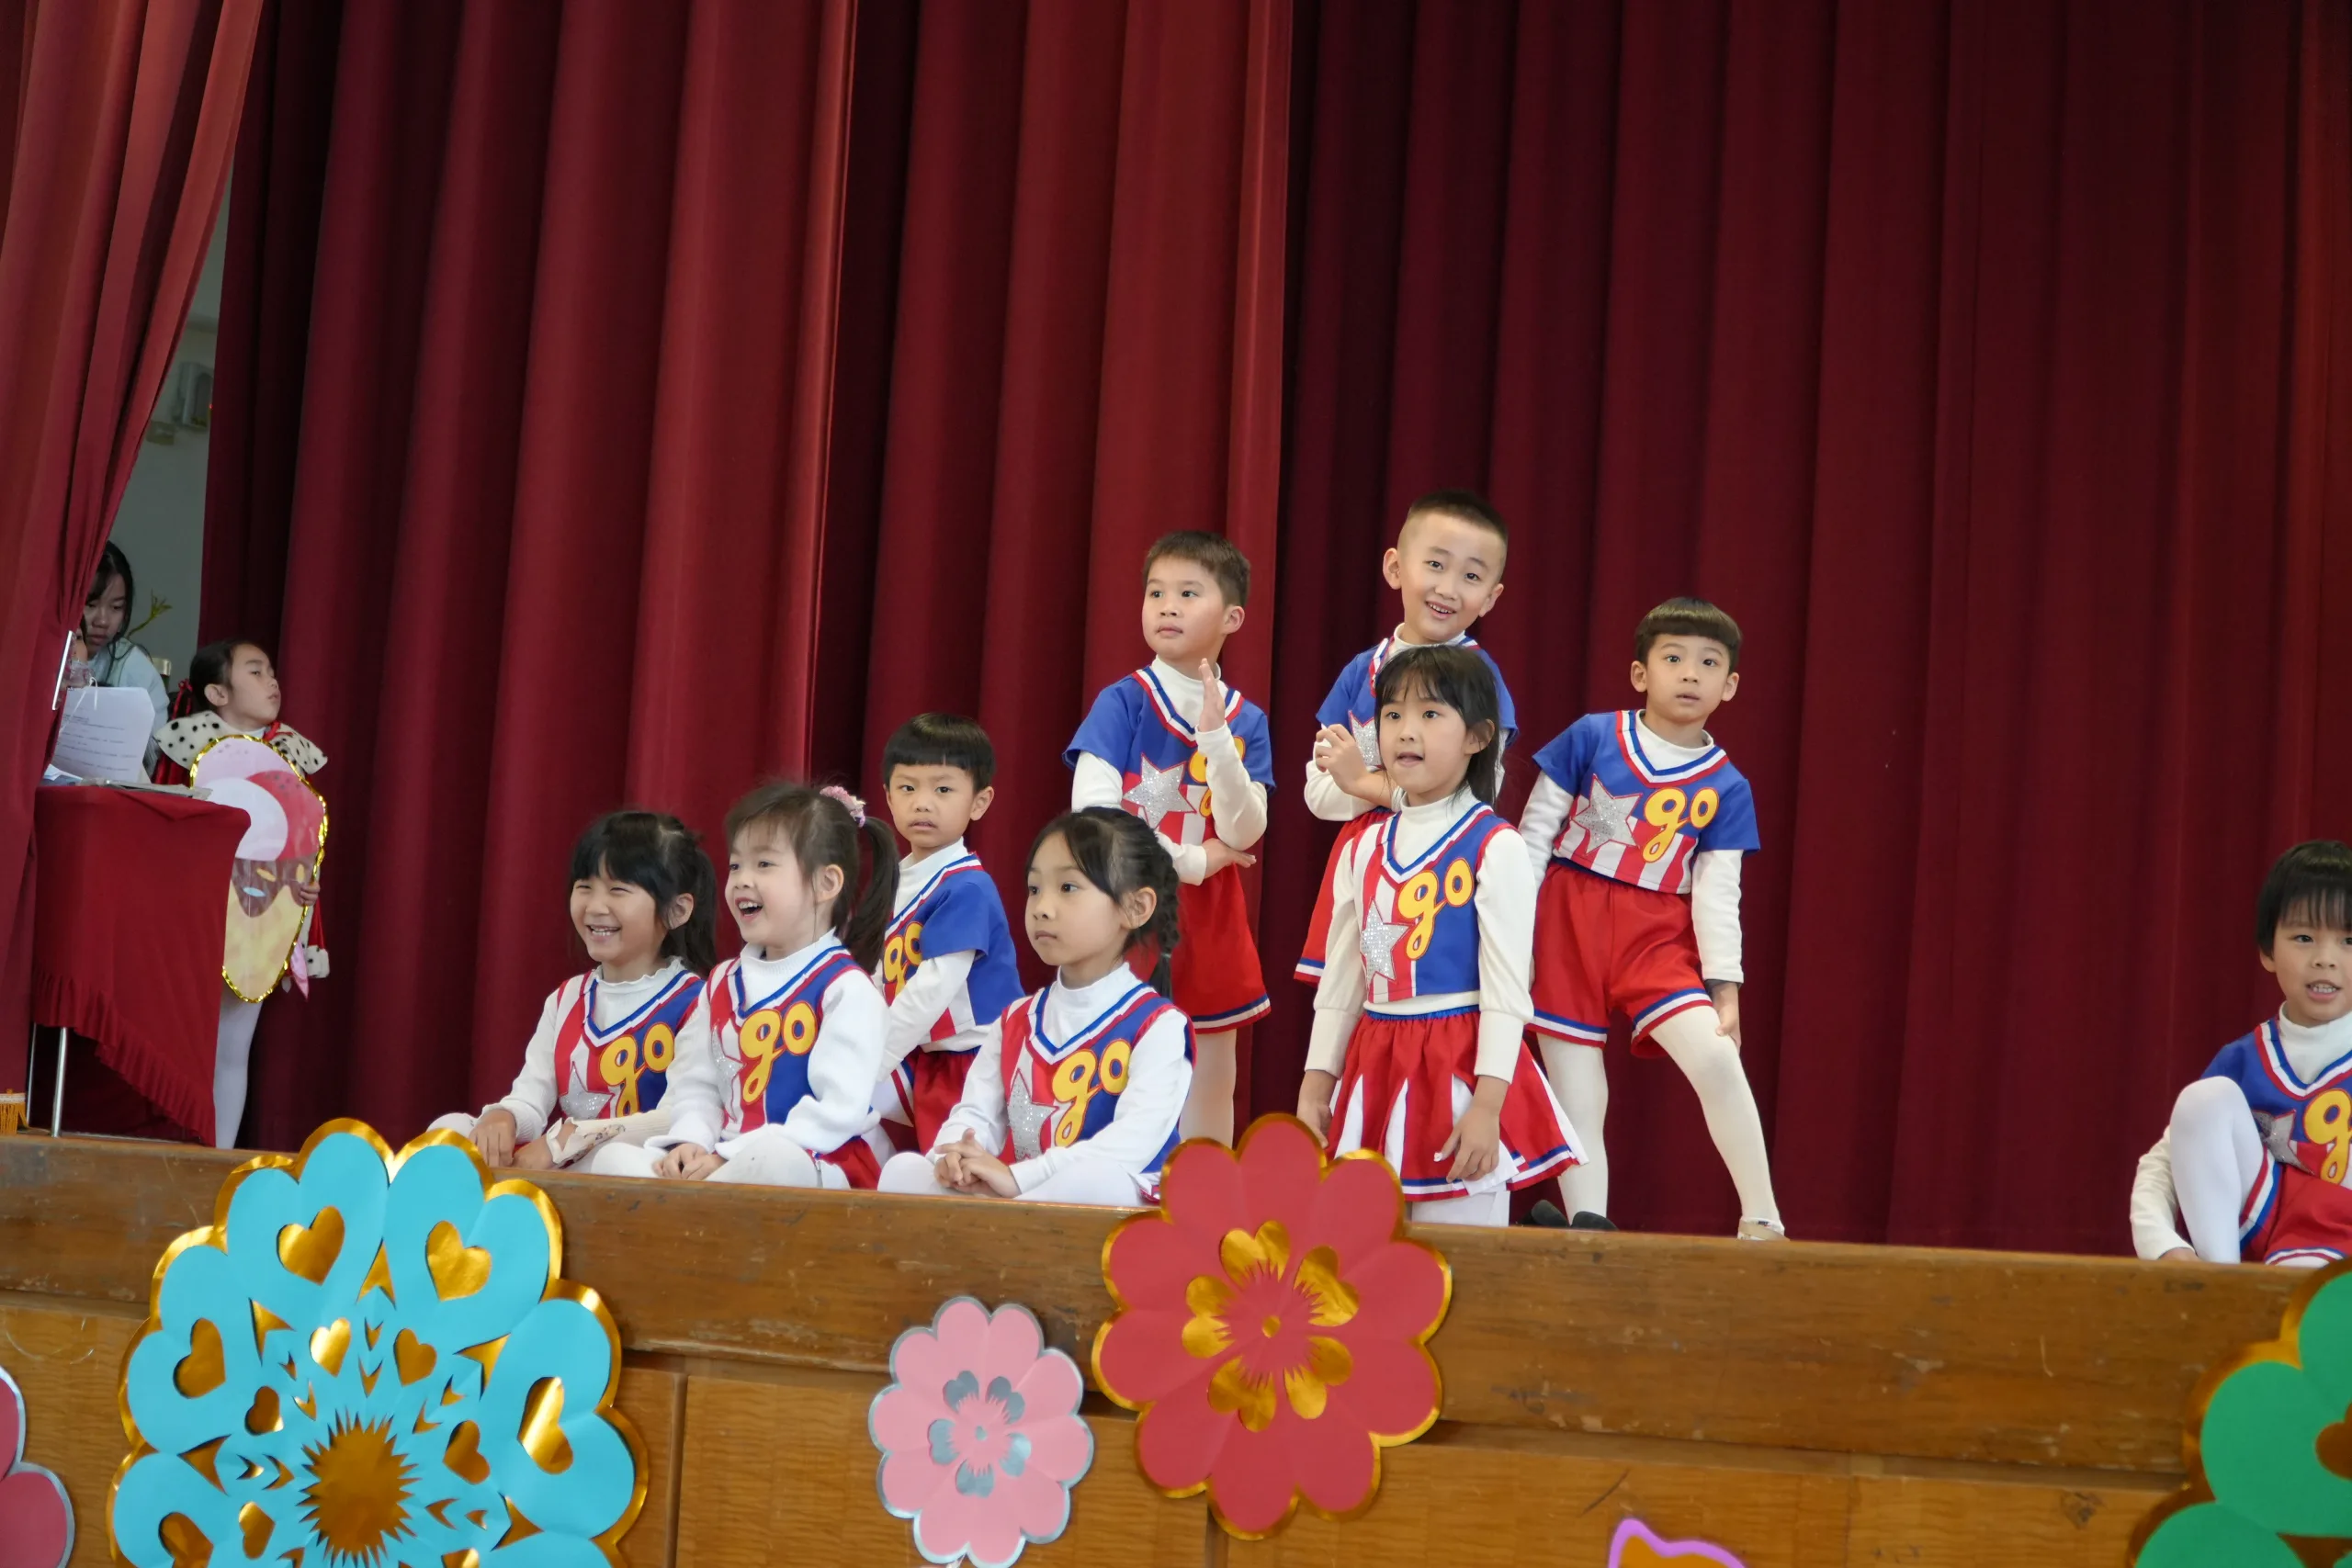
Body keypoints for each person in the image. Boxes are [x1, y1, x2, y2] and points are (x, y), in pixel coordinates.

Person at [1519, 598, 1785, 1239]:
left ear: (1730, 685)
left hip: (1657, 938)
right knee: (1579, 1091)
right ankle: (1590, 1228)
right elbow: (1532, 837)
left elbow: (1719, 892)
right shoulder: (1592, 736)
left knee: (1716, 1059)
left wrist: (1725, 985)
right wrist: (1515, 934)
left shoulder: (1728, 786)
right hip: (1565, 925)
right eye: (1673, 658)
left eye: (1708, 663)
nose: (1690, 673)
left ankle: (1762, 1220)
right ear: (1641, 673)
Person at [1297, 646, 1581, 1227]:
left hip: (1460, 1068)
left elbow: (1507, 989)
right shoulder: (1361, 848)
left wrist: (1488, 1104)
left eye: (1430, 714)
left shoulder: (1495, 844)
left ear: (1478, 737)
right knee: (1361, 1255)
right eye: (1392, 714)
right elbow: (1341, 984)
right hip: (1373, 1066)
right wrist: (1315, 1085)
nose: (1406, 730)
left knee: (1462, 1262)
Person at [1065, 530, 1273, 1145]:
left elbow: (1246, 829)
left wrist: (1216, 740)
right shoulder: (1122, 702)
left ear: (1232, 617)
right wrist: (1193, 860)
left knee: (1211, 1071)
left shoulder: (1246, 719)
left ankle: (1204, 1188)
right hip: (1121, 907)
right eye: (1156, 593)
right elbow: (1094, 817)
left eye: (1188, 593)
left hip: (1210, 918)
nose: (1167, 607)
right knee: (1111, 1057)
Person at [878, 807, 1193, 1207]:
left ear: (1136, 907)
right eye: (1034, 889)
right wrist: (955, 1156)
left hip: (1105, 1216)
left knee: (1097, 1181)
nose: (1042, 907)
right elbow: (974, 1115)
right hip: (1017, 1196)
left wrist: (1017, 1178)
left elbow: (1130, 1146)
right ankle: (998, 1231)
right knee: (904, 1171)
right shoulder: (1014, 1020)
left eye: (1068, 887)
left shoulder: (1159, 1026)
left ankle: (1004, 1230)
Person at [1295, 490, 1520, 987]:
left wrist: (1365, 783)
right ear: (1395, 568)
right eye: (1435, 564)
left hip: (1443, 871)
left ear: (1491, 597)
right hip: (1362, 863)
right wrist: (1394, 789)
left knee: (1428, 1003)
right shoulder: (1361, 671)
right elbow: (1318, 793)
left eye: (1472, 577)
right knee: (1343, 1003)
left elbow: (1477, 795)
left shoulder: (1481, 681)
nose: (1448, 588)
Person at [628, 783, 899, 1188]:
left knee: (775, 1162)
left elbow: (835, 1113)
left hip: (816, 1164)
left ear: (826, 884)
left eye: (764, 864)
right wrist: (690, 1141)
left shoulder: (846, 989)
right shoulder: (721, 983)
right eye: (736, 865)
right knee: (615, 1161)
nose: (741, 880)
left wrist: (728, 1156)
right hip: (723, 1159)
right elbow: (696, 1085)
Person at [427, 812, 717, 1175]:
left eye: (618, 890)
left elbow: (679, 1116)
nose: (595, 906)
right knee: (450, 1130)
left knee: (615, 1162)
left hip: (639, 1169)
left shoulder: (698, 1003)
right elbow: (530, 1098)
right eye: (585, 887)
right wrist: (504, 1117)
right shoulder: (566, 1000)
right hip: (565, 1161)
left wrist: (569, 1140)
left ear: (677, 910)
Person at [2132, 840, 2352, 1266]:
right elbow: (2162, 1164)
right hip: (2264, 1231)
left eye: (2349, 940)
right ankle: (2221, 1284)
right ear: (2268, 952)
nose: (2325, 959)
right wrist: (2165, 1247)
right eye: (2304, 937)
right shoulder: (2241, 1062)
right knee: (2203, 1099)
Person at [152, 639, 326, 1148]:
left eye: (271, 671)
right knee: (180, 1037)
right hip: (195, 911)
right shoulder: (184, 749)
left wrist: (305, 893)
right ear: (217, 693)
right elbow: (162, 829)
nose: (272, 681)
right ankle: (170, 1151)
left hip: (259, 917)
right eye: (255, 671)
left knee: (233, 1046)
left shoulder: (289, 754)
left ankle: (218, 1158)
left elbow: (302, 842)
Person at [869, 714, 1024, 1157]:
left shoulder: (966, 886)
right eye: (907, 788)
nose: (922, 803)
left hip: (975, 1060)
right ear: (888, 797)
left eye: (942, 790)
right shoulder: (897, 880)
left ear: (979, 802)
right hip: (923, 1054)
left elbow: (932, 989)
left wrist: (871, 1060)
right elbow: (880, 976)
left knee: (956, 1172)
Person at [63, 542, 168, 770]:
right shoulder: (39, 656)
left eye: (116, 607)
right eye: (90, 604)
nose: (102, 620)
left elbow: (155, 759)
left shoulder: (135, 668)